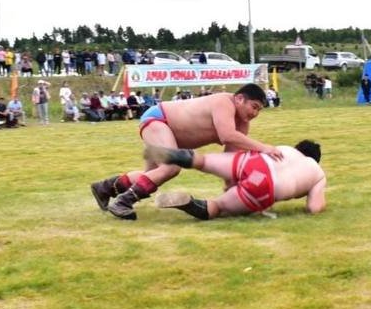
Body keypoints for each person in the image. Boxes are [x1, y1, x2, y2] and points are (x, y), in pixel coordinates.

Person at [89, 83, 280, 220]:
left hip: (168, 130)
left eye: (259, 110)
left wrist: (233, 193)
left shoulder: (243, 126)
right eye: (254, 107)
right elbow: (227, 136)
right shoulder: (225, 102)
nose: (255, 113)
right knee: (171, 168)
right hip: (159, 119)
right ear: (240, 99)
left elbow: (228, 161)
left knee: (150, 175)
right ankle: (123, 202)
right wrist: (264, 148)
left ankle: (104, 188)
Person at [150, 139, 327, 219]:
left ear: (299, 148)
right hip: (265, 187)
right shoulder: (317, 172)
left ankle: (168, 153)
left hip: (255, 163)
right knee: (218, 207)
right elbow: (314, 208)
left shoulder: (288, 149)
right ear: (315, 159)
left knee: (202, 161)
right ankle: (189, 203)